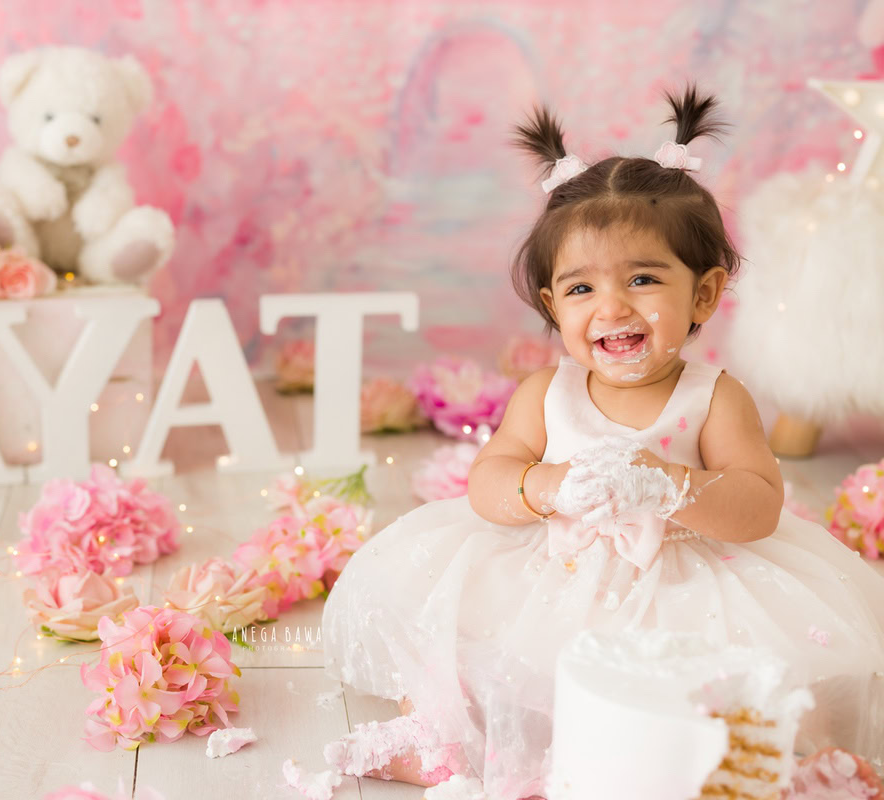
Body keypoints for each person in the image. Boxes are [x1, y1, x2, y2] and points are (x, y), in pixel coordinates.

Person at [321, 85, 884, 799]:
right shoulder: (545, 393)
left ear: (704, 295)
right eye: (581, 289)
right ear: (554, 307)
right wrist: (543, 487)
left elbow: (757, 505)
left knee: (735, 684)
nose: (612, 307)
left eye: (644, 279)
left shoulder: (713, 398)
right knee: (465, 631)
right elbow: (490, 480)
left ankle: (775, 762)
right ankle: (447, 740)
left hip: (685, 580)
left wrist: (670, 487)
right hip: (554, 572)